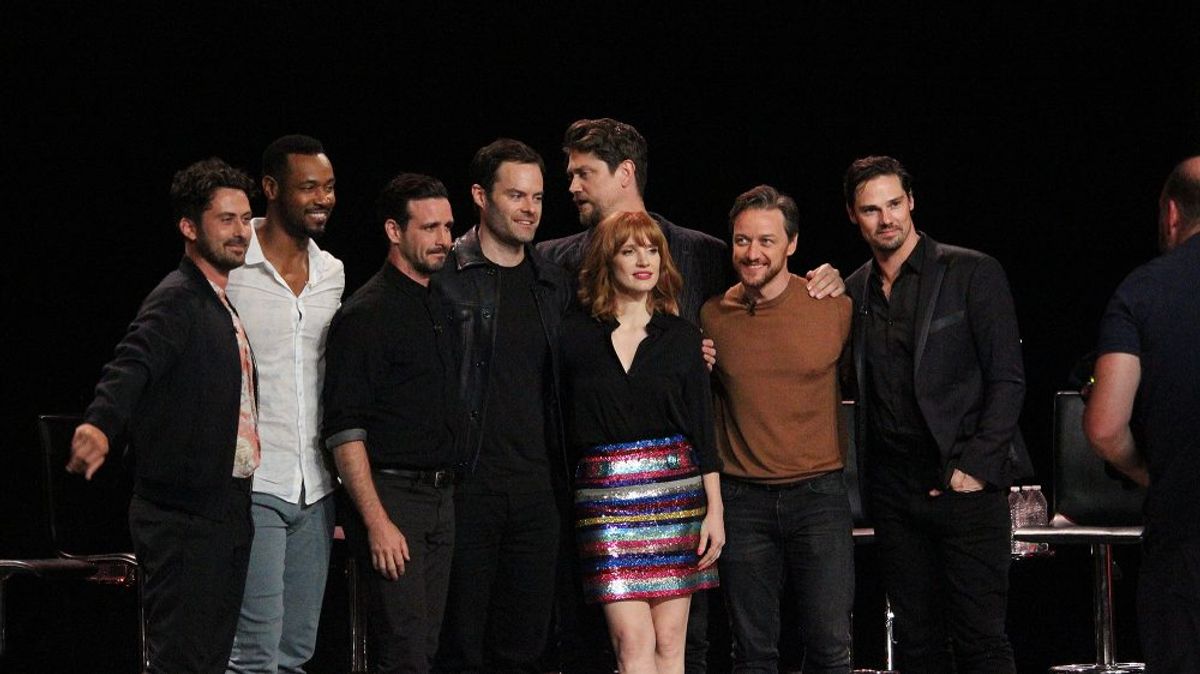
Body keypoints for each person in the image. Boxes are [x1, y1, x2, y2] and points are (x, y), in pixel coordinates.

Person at [538, 117, 843, 672]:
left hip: (698, 491)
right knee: (630, 644)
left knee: (693, 644)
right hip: (610, 497)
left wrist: (832, 278)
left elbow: (704, 405)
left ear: (624, 172)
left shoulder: (701, 266)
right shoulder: (559, 278)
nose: (572, 186)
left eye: (584, 173)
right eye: (744, 240)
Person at [67, 158, 259, 674]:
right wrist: (100, 424)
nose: (241, 231)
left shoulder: (217, 302)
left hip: (224, 507)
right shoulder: (178, 298)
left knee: (210, 659)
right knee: (183, 660)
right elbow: (133, 361)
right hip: (182, 516)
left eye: (246, 219)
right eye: (226, 219)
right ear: (189, 227)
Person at [843, 156, 1030, 673]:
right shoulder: (854, 291)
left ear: (912, 202)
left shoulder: (972, 271)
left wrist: (975, 469)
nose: (886, 219)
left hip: (964, 485)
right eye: (871, 209)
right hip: (895, 495)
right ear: (853, 216)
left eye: (894, 204)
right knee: (917, 646)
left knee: (981, 643)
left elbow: (1008, 379)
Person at [432, 139, 575, 673]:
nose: (530, 209)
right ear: (480, 196)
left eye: (537, 197)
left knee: (525, 648)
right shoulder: (445, 278)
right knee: (461, 646)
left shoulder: (553, 283)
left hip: (539, 493)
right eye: (516, 195)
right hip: (467, 488)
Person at [560, 210, 723, 673]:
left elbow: (702, 427)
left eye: (652, 250)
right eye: (629, 250)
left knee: (670, 642)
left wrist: (715, 509)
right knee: (633, 641)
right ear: (607, 261)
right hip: (606, 503)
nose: (643, 260)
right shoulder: (574, 337)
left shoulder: (684, 338)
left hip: (678, 498)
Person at [700, 185, 854, 673]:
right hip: (742, 501)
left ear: (792, 244)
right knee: (752, 654)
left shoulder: (833, 306)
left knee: (830, 648)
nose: (753, 253)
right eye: (742, 240)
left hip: (819, 498)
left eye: (767, 241)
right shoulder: (711, 316)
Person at [322, 173, 467, 673]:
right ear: (393, 230)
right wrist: (377, 522)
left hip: (440, 498)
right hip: (393, 498)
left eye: (448, 227)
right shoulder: (366, 314)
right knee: (403, 652)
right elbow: (344, 430)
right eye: (429, 228)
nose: (444, 239)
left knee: (425, 647)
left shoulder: (442, 304)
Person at [226, 134, 343, 673]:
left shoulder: (332, 273)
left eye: (330, 187)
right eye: (309, 187)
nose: (324, 199)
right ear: (271, 189)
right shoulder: (234, 267)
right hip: (256, 481)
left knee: (296, 653)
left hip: (315, 486)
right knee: (253, 655)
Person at [1083, 155, 1200, 673]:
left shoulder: (1142, 291)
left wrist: (1149, 472)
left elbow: (1104, 426)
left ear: (1172, 214)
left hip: (1183, 536)